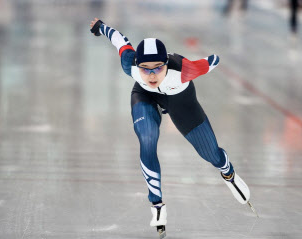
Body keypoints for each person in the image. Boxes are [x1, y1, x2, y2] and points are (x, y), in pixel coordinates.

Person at [89, 18, 252, 237]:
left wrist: (215, 58)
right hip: (145, 95)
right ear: (137, 65)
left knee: (211, 154)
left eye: (157, 68)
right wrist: (100, 26)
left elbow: (211, 61)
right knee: (147, 138)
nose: (152, 75)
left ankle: (227, 171)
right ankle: (156, 205)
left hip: (181, 101)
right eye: (145, 69)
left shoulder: (185, 69)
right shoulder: (130, 64)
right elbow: (119, 39)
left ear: (166, 64)